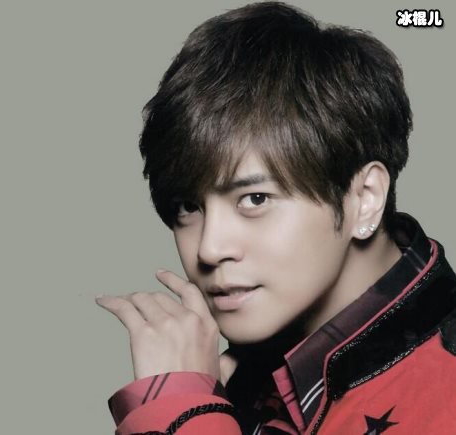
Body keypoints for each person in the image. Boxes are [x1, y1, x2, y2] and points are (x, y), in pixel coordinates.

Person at [95, 2, 456, 434]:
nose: (209, 248)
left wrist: (184, 411)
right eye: (188, 207)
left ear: (364, 198)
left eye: (255, 199)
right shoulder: (248, 371)